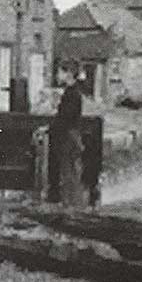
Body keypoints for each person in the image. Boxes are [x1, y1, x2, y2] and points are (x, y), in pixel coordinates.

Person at [53, 59, 86, 207]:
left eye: (60, 72)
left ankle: (70, 204)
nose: (57, 75)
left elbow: (66, 117)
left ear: (69, 74)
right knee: (68, 170)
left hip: (69, 136)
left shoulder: (72, 94)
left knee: (69, 171)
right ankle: (71, 203)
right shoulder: (72, 92)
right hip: (71, 134)